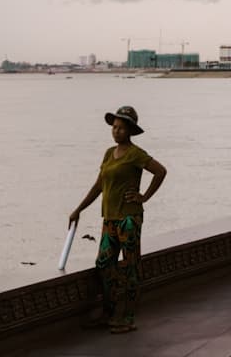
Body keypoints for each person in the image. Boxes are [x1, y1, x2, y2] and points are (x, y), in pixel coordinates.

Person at [68, 105, 166, 335]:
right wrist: (78, 209)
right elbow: (99, 185)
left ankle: (129, 317)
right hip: (110, 219)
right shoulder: (108, 153)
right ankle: (109, 313)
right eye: (114, 127)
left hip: (129, 219)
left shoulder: (136, 154)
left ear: (130, 130)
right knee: (104, 265)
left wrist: (144, 197)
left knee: (130, 267)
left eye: (121, 128)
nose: (117, 131)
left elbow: (161, 172)